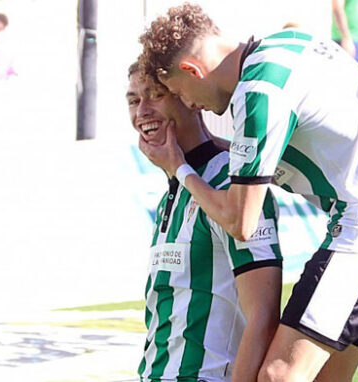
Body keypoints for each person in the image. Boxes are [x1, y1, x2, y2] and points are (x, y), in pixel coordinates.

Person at [137, 3, 358, 381]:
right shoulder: (286, 43)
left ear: (192, 70)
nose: (189, 104)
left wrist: (179, 168)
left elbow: (240, 221)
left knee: (279, 375)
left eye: (180, 92)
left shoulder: (259, 91)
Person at [127, 60, 283, 382]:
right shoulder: (171, 193)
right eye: (133, 100)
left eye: (155, 95)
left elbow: (263, 315)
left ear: (187, 97)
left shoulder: (233, 188)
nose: (141, 111)